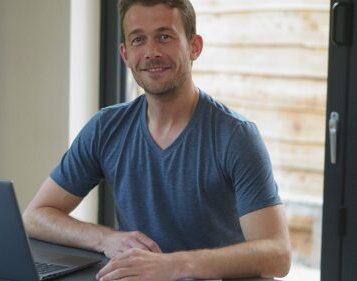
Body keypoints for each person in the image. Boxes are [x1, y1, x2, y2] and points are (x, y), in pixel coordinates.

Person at [23, 0, 291, 280]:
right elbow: (36, 216)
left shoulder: (235, 135)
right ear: (125, 54)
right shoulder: (106, 128)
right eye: (139, 39)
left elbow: (277, 254)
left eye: (165, 36)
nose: (151, 52)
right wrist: (106, 239)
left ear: (194, 47)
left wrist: (174, 266)